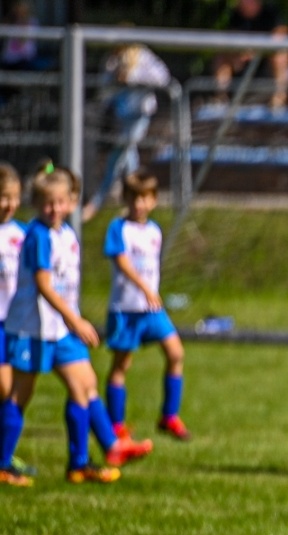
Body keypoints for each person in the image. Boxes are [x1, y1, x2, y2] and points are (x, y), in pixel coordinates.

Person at [0, 165, 150, 487]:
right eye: (47, 204)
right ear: (38, 204)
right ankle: (3, 463)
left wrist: (71, 320)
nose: (54, 210)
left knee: (84, 385)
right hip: (31, 328)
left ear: (71, 201)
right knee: (20, 395)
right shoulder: (38, 235)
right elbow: (43, 283)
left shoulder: (66, 234)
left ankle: (79, 463)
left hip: (62, 328)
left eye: (60, 202)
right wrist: (75, 319)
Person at [102, 169, 188, 444]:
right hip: (126, 308)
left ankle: (169, 416)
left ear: (153, 200)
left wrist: (151, 292)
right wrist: (145, 288)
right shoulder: (119, 228)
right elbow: (122, 262)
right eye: (133, 198)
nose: (139, 204)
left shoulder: (154, 230)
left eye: (145, 198)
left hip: (152, 309)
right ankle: (116, 425)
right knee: (121, 365)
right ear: (125, 199)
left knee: (175, 353)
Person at [83, 43, 170, 223]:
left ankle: (97, 202)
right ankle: (137, 198)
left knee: (120, 152)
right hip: (121, 116)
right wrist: (115, 79)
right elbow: (104, 88)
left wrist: (132, 76)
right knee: (128, 154)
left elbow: (162, 77)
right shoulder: (112, 60)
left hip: (140, 115)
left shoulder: (143, 56)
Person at [0, 164, 27, 484]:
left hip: (16, 324)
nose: (9, 204)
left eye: (14, 198)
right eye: (3, 197)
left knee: (15, 392)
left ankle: (5, 456)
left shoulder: (22, 234)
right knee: (7, 389)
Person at [215, 0, 288, 110]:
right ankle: (221, 99)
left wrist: (257, 50)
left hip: (266, 65)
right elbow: (231, 40)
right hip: (242, 64)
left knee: (280, 55)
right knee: (221, 57)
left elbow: (281, 36)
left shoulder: (271, 12)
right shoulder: (236, 15)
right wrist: (240, 51)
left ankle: (278, 101)